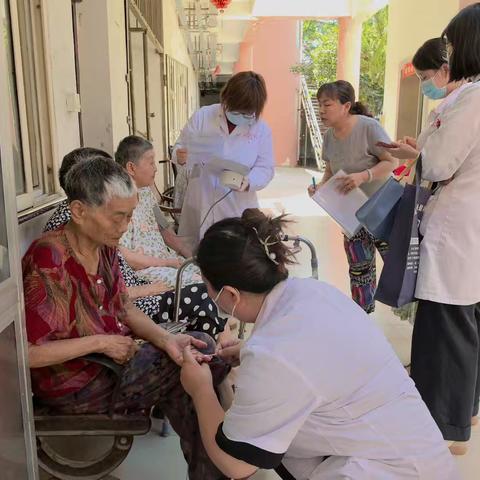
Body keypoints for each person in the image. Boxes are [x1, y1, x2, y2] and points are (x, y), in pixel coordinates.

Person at [179, 209, 458, 480]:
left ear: (230, 294)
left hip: (386, 467)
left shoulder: (273, 355)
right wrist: (248, 351)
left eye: (207, 287)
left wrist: (200, 388)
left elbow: (237, 466)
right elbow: (314, 356)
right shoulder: (314, 292)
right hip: (412, 443)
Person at [24, 156, 230, 480]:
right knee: (199, 358)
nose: (124, 227)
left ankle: (213, 468)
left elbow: (125, 308)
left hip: (109, 370)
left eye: (129, 216)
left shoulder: (104, 246)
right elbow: (28, 353)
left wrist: (166, 338)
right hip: (77, 384)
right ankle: (222, 463)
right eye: (117, 217)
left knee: (193, 353)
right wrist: (102, 342)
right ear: (79, 212)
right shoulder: (49, 259)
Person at [379, 3, 480, 455]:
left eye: (454, 44)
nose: (451, 53)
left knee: (446, 335)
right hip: (463, 233)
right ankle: (466, 411)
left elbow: (439, 162)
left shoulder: (473, 100)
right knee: (464, 327)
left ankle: (447, 431)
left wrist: (420, 151)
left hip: (457, 235)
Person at [44, 147, 228, 340]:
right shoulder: (70, 235)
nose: (124, 227)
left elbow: (119, 299)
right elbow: (94, 304)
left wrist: (167, 342)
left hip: (129, 306)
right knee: (201, 302)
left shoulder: (99, 234)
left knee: (204, 317)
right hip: (120, 320)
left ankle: (217, 348)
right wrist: (145, 291)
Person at [308, 80, 397, 313]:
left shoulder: (369, 128)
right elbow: (330, 169)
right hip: (352, 215)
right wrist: (320, 188)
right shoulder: (328, 137)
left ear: (346, 106)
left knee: (397, 265)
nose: (322, 110)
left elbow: (392, 162)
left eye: (327, 104)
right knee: (359, 271)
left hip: (383, 211)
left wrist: (363, 176)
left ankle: (412, 314)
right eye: (320, 105)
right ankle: (363, 319)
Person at [172, 71, 275, 247]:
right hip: (201, 197)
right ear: (226, 99)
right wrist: (180, 156)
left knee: (232, 256)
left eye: (247, 112)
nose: (240, 116)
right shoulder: (203, 116)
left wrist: (249, 181)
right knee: (195, 257)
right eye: (236, 110)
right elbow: (179, 147)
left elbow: (266, 168)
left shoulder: (261, 130)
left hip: (236, 203)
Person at [115, 135, 201, 287]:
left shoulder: (146, 192)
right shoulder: (115, 201)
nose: (155, 168)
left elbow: (164, 229)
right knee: (198, 284)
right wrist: (166, 262)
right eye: (151, 162)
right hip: (144, 271)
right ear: (131, 168)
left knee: (210, 274)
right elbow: (123, 255)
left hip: (166, 262)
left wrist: (191, 256)